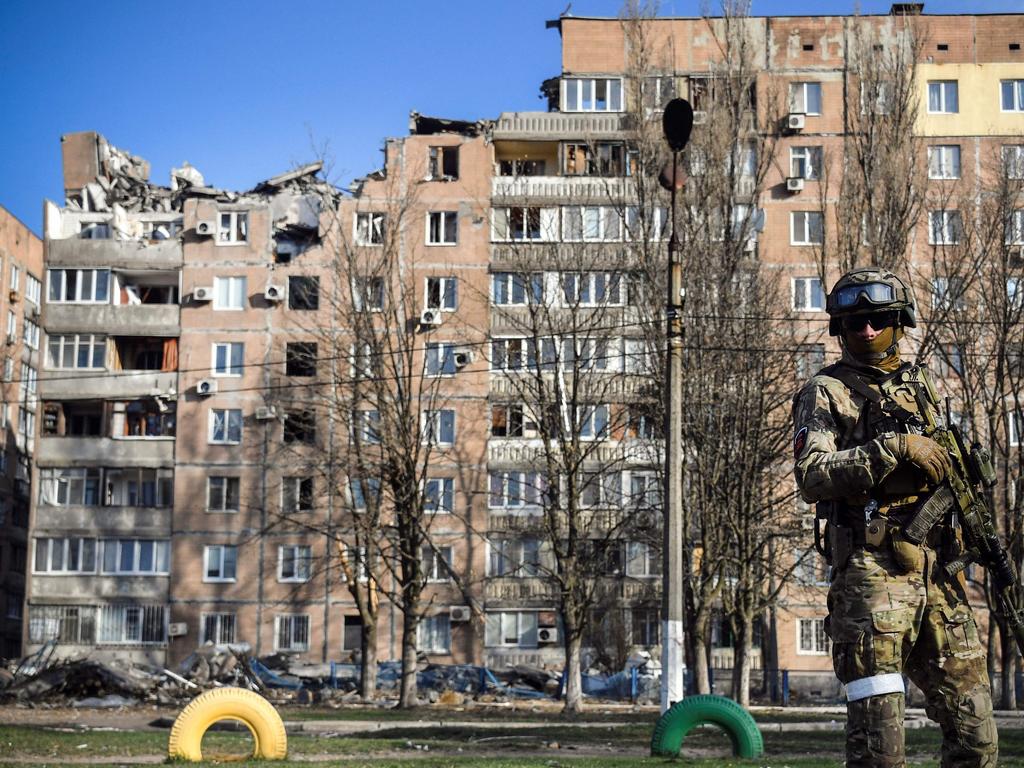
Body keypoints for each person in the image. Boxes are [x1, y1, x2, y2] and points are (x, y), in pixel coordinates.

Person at [791, 267, 997, 768]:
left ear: (897, 321)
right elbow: (811, 473)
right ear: (841, 328)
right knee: (879, 745)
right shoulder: (825, 392)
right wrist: (893, 449)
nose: (866, 330)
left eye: (877, 319)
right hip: (872, 575)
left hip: (939, 571)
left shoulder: (920, 384)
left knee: (976, 733)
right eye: (855, 321)